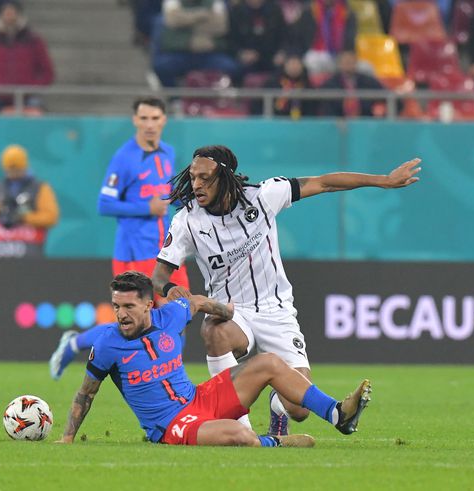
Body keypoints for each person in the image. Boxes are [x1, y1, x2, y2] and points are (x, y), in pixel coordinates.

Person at [152, 145, 420, 436]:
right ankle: (236, 425)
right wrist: (170, 288)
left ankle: (278, 404)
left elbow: (325, 182)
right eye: (193, 177)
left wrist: (384, 180)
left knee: (299, 410)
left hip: (276, 311)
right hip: (231, 312)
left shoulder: (265, 196)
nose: (196, 185)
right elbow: (159, 276)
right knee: (213, 330)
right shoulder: (187, 221)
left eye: (205, 178)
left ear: (226, 177)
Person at [55, 271, 372, 447]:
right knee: (238, 435)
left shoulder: (171, 315)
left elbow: (196, 303)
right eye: (116, 307)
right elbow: (87, 393)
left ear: (149, 305)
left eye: (129, 307)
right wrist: (68, 438)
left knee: (270, 362)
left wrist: (228, 312)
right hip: (172, 424)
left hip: (201, 398)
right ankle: (275, 442)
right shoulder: (108, 343)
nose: (121, 315)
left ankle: (337, 415)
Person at [48, 97, 191, 380]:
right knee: (133, 321)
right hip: (134, 251)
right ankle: (75, 343)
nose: (150, 124)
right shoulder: (125, 158)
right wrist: (145, 208)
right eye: (144, 119)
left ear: (164, 120)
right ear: (135, 121)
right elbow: (105, 203)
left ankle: (168, 378)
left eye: (155, 118)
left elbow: (167, 197)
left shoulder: (167, 153)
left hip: (166, 251)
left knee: (180, 314)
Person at [0, 144, 60, 258]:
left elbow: (51, 217)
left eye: (17, 169)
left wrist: (24, 217)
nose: (13, 173)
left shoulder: (40, 188)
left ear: (25, 166)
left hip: (29, 254)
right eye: (10, 169)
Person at [0, 0, 54, 112]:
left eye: (12, 13)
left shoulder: (34, 41)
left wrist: (33, 87)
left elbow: (47, 72)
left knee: (36, 106)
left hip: (27, 96)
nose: (9, 17)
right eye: (6, 13)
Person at [151, 0, 240, 87]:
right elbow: (172, 20)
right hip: (180, 53)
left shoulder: (216, 2)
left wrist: (184, 23)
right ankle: (176, 99)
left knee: (230, 67)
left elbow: (220, 26)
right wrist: (203, 15)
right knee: (161, 66)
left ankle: (214, 99)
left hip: (208, 54)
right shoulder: (173, 2)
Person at [291, 0, 357, 75]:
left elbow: (350, 39)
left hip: (339, 55)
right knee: (310, 64)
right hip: (315, 53)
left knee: (366, 68)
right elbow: (298, 38)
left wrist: (346, 57)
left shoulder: (346, 12)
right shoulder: (310, 10)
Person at [320, 50, 387, 118]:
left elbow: (386, 95)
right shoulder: (330, 83)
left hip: (365, 120)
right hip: (336, 122)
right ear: (339, 64)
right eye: (345, 62)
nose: (348, 65)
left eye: (351, 62)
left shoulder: (368, 81)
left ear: (356, 63)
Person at [228, 0, 287, 78]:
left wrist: (282, 52)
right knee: (235, 69)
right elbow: (231, 40)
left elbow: (284, 36)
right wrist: (241, 53)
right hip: (247, 59)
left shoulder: (275, 10)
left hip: (271, 57)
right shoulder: (236, 11)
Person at [251, 52, 318, 118]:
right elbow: (258, 105)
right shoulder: (273, 82)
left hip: (301, 123)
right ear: (285, 66)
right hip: (275, 121)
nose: (294, 67)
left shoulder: (307, 84)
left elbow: (312, 109)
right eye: (291, 64)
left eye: (297, 64)